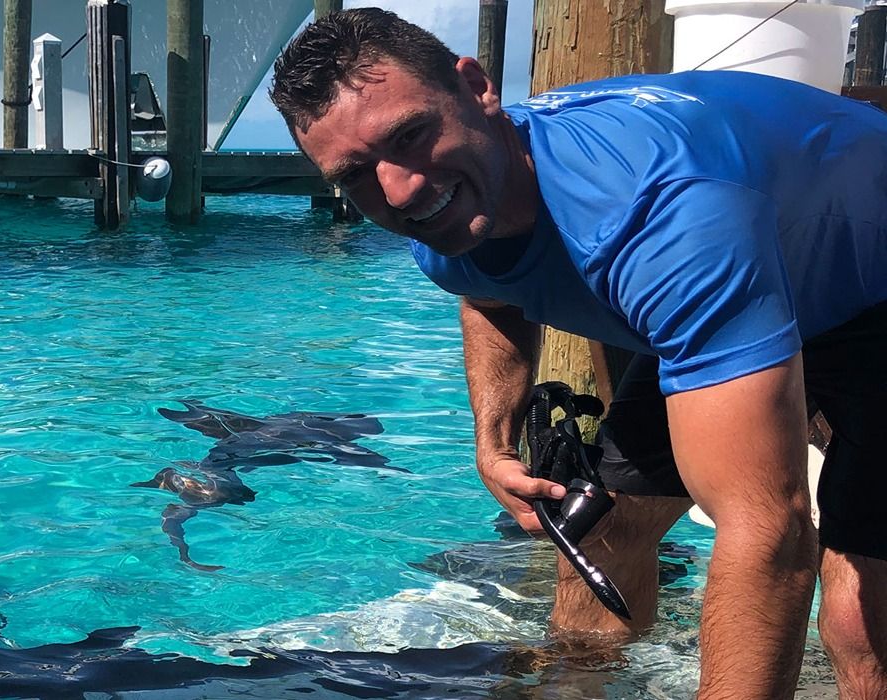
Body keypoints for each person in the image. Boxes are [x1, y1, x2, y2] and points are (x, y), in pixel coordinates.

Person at [269, 8, 887, 699]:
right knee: (602, 533)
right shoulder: (440, 214)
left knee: (861, 619)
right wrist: (494, 441)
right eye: (354, 174)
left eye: (411, 135)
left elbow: (767, 531)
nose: (399, 189)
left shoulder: (656, 214)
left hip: (872, 284)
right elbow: (491, 290)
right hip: (740, 277)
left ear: (477, 89)